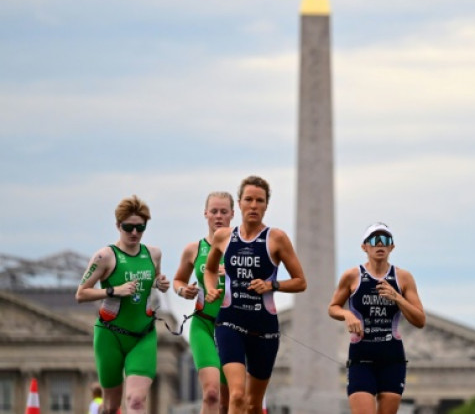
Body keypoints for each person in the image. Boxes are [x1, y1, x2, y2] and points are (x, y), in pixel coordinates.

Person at [204, 175, 307, 414]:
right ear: (238, 203)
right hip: (230, 322)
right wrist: (211, 288)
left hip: (264, 328)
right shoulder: (224, 237)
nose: (253, 205)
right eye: (248, 199)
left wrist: (273, 285)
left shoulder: (277, 238)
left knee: (252, 404)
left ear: (266, 205)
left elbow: (301, 282)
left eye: (259, 200)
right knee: (237, 396)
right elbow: (210, 269)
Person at [76, 195, 171, 414]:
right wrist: (113, 290)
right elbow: (81, 294)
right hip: (110, 335)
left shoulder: (153, 253)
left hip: (143, 336)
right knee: (110, 406)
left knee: (136, 400)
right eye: (128, 227)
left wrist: (159, 282)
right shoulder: (105, 256)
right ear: (118, 225)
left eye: (140, 227)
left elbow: (153, 278)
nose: (135, 233)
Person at [328, 222, 426, 414]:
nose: (380, 244)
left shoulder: (403, 278)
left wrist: (397, 298)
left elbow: (420, 320)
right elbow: (333, 308)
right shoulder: (352, 276)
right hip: (361, 356)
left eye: (385, 240)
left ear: (392, 247)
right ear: (365, 246)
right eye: (374, 240)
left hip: (392, 357)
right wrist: (347, 314)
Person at [173, 191, 235, 414]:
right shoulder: (194, 249)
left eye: (224, 212)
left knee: (229, 402)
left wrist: (232, 273)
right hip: (203, 325)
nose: (218, 216)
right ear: (205, 214)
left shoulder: (241, 249)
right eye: (214, 211)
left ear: (232, 214)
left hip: (233, 327)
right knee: (211, 393)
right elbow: (178, 279)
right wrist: (183, 290)